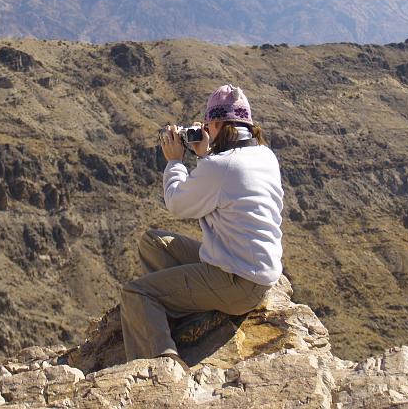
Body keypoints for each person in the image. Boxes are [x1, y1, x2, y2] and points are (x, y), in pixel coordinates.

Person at [119, 84, 284, 367]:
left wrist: (175, 162)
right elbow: (227, 183)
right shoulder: (264, 155)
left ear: (217, 123)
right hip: (250, 271)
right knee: (154, 242)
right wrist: (205, 155)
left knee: (136, 293)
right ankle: (180, 307)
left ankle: (161, 364)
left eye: (208, 125)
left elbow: (177, 203)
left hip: (236, 282)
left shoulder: (221, 166)